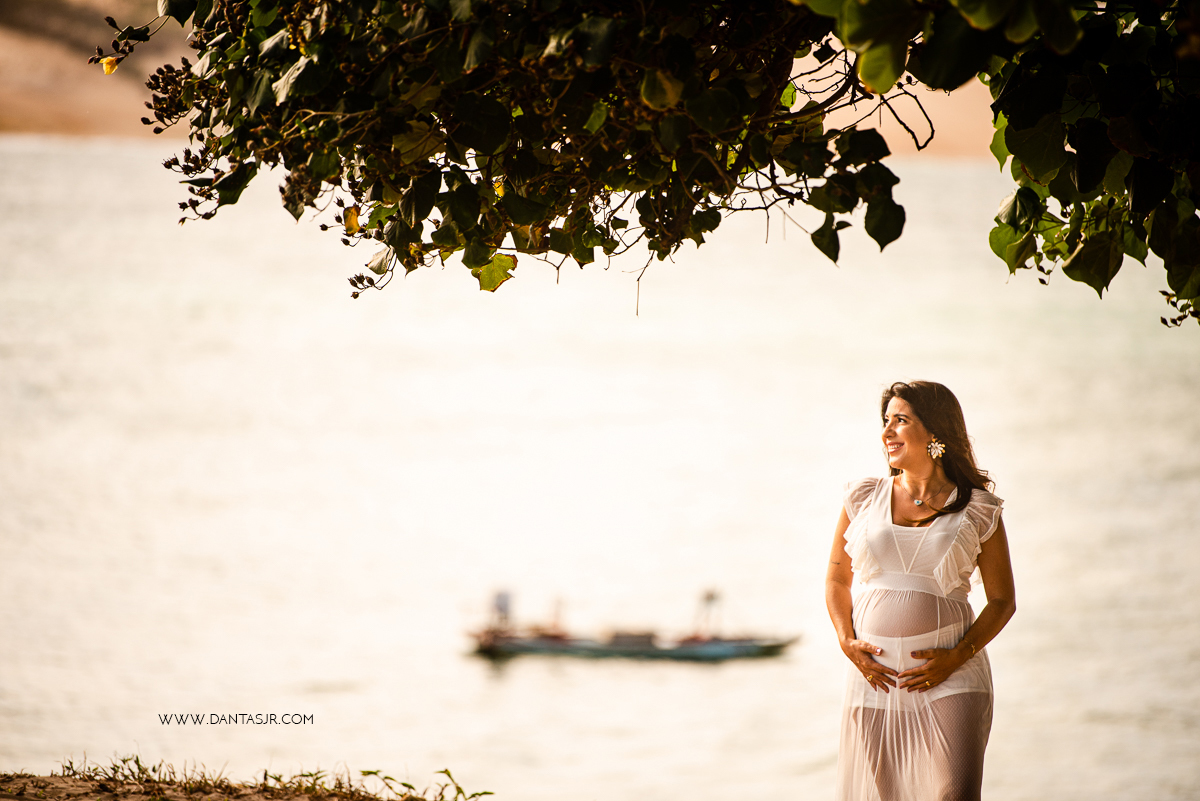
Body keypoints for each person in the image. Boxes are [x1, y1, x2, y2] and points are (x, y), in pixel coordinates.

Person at [825, 381, 1016, 801]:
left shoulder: (978, 507)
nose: (887, 432)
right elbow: (837, 580)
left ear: (935, 431)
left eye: (900, 420)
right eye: (885, 421)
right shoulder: (863, 498)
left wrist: (957, 656)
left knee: (956, 795)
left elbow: (1003, 600)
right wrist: (846, 641)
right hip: (876, 678)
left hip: (952, 675)